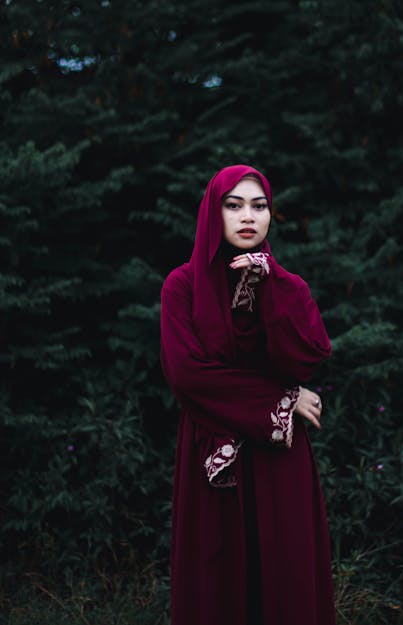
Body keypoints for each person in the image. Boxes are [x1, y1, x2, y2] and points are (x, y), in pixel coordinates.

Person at [160, 164, 336, 625]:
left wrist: (271, 287)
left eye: (259, 206)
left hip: (279, 459)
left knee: (285, 576)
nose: (248, 216)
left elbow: (308, 355)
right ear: (212, 214)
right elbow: (188, 375)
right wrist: (285, 400)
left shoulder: (287, 285)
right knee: (217, 580)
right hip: (213, 453)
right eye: (233, 205)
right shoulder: (183, 286)